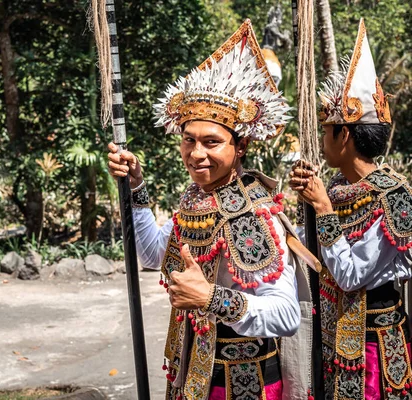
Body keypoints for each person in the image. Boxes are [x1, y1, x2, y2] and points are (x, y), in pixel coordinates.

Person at [109, 19, 315, 400]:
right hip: (194, 369)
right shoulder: (197, 197)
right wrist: (136, 186)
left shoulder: (251, 214)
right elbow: (155, 254)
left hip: (241, 382)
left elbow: (285, 314)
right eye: (188, 140)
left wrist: (211, 299)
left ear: (240, 148)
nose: (196, 154)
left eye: (211, 142)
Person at [289, 18, 412, 400]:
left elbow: (350, 275)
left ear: (344, 135)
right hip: (334, 331)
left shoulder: (393, 195)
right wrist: (307, 206)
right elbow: (317, 261)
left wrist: (323, 208)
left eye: (327, 130)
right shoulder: (340, 187)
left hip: (374, 343)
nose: (323, 138)